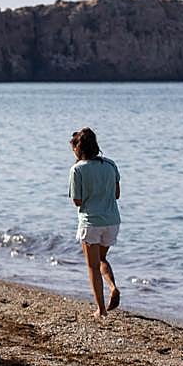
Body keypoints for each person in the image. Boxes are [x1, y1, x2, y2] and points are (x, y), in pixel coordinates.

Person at [69, 127, 121, 318]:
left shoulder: (77, 169)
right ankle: (113, 287)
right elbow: (117, 194)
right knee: (101, 259)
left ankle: (101, 309)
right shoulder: (110, 165)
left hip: (91, 223)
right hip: (112, 222)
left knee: (92, 266)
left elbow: (77, 201)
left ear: (78, 148)